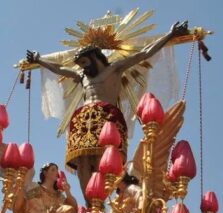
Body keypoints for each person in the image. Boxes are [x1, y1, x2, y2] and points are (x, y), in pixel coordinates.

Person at [26, 21, 189, 196]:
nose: (83, 67)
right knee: (82, 161)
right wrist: (39, 60)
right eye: (80, 64)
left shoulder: (114, 69)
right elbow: (59, 69)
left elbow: (144, 53)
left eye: (84, 62)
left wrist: (170, 35)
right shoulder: (82, 76)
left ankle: (101, 197)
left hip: (106, 116)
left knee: (102, 159)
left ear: (94, 57)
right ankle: (90, 203)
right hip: (83, 119)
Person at [13, 163, 78, 213]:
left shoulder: (59, 196)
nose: (56, 172)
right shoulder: (35, 188)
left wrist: (67, 191)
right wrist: (20, 188)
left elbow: (73, 210)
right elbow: (21, 208)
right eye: (53, 170)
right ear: (45, 173)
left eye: (57, 170)